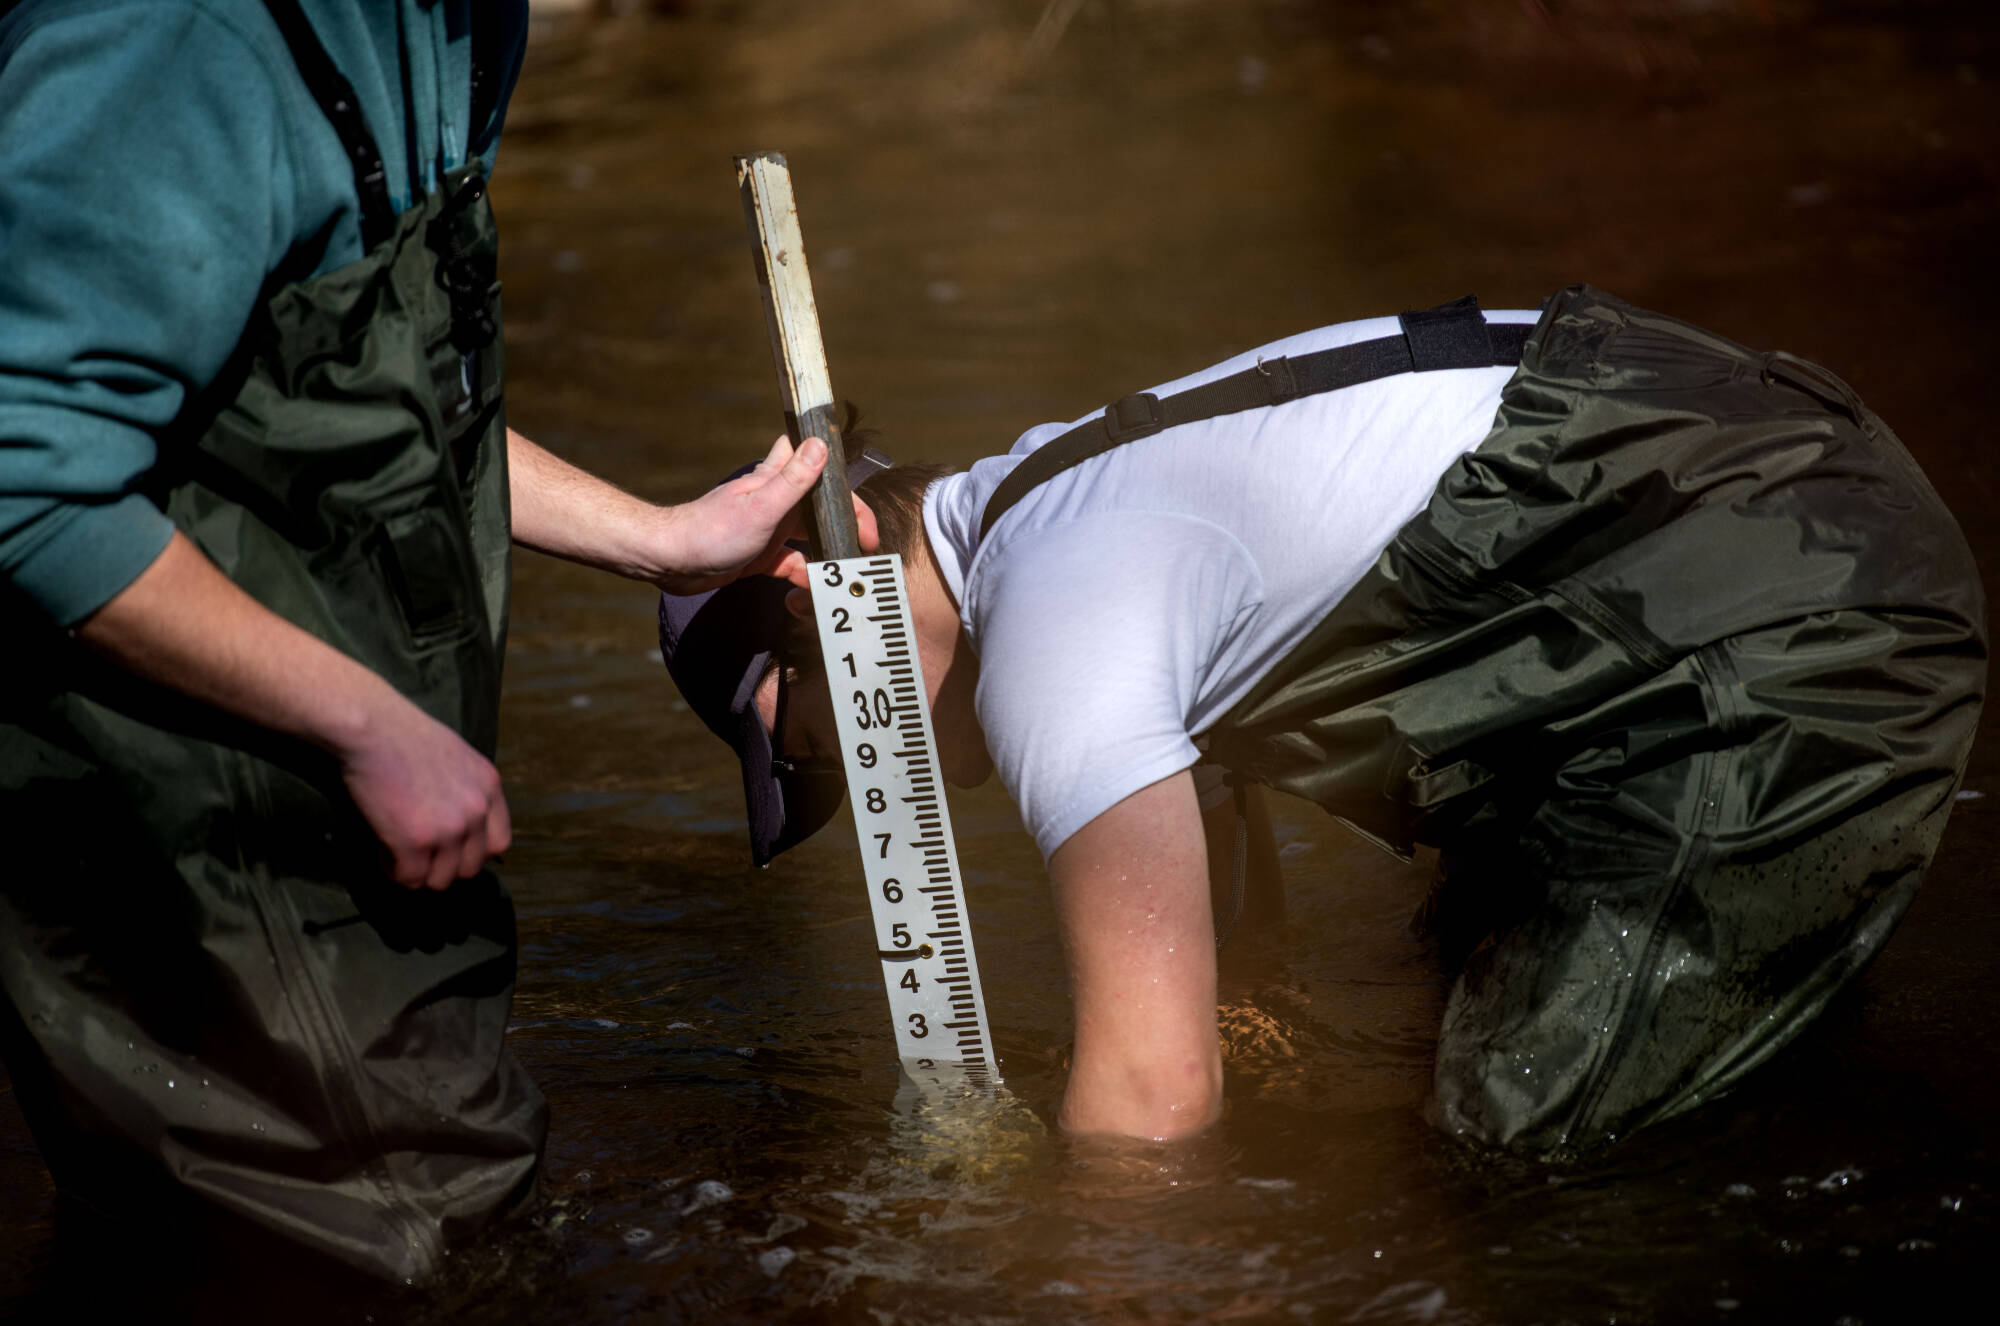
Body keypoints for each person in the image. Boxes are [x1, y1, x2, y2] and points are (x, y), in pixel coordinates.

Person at [661, 285, 1986, 1155]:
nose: (897, 793)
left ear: (815, 591)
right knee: (1459, 966)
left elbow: (1153, 1108)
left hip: (1794, 599)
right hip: (1743, 501)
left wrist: (1022, 1267)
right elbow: (1239, 972)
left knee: (1510, 1135)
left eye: (816, 745)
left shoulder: (1055, 636)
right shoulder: (1044, 513)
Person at [0, 0, 870, 1283]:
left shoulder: (466, 26)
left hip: (366, 864)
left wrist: (661, 538)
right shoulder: (168, 41)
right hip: (206, 860)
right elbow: (27, 481)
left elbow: (383, 410)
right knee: (375, 1249)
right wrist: (362, 723)